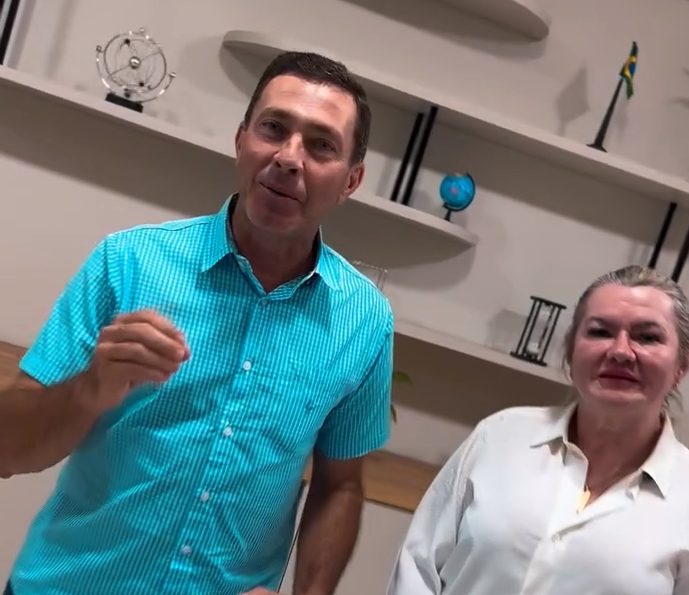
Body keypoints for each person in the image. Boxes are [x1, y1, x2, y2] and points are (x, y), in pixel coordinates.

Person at [0, 51, 394, 595]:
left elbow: (340, 486)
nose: (288, 157)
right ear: (241, 140)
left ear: (351, 180)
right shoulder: (128, 262)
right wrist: (91, 387)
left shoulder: (365, 321)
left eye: (321, 144)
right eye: (273, 128)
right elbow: (7, 449)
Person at [387, 265, 689, 594]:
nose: (620, 351)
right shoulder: (499, 435)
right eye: (600, 332)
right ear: (570, 348)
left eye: (647, 337)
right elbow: (418, 566)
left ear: (684, 363)